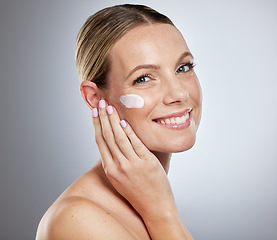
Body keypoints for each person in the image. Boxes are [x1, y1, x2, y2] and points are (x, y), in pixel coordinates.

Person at [36, 4, 202, 240]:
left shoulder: (153, 195)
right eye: (143, 78)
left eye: (183, 67)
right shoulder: (77, 221)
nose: (179, 93)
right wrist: (162, 213)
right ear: (94, 98)